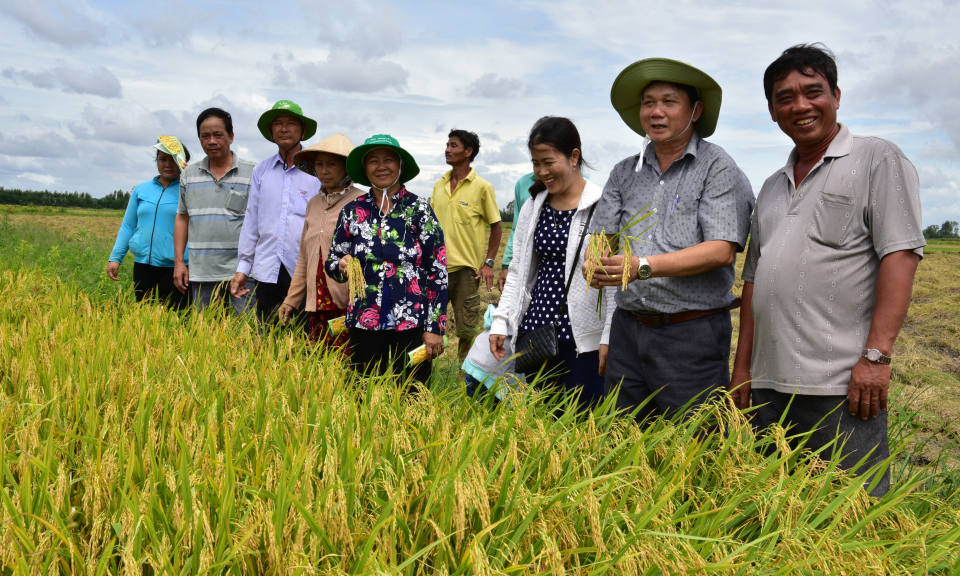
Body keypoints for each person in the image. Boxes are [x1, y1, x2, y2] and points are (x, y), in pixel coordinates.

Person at [729, 44, 924, 497]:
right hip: (770, 386)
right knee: (778, 509)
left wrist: (876, 358)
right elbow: (754, 280)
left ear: (836, 95)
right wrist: (742, 369)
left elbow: (901, 254)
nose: (800, 105)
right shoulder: (773, 186)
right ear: (773, 112)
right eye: (785, 97)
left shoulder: (877, 158)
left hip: (842, 385)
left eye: (812, 91)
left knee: (851, 515)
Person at [584, 58, 755, 421]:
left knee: (693, 450)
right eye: (648, 102)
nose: (656, 112)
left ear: (696, 110)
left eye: (669, 101)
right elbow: (603, 239)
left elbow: (722, 250)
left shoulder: (717, 167)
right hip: (629, 328)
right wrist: (595, 264)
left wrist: (641, 267)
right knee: (621, 436)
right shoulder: (624, 172)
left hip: (690, 332)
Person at [490, 117, 616, 410]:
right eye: (536, 163)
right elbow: (520, 272)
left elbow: (612, 282)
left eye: (548, 161)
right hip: (539, 329)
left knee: (584, 423)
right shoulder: (535, 205)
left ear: (574, 157)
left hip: (584, 337)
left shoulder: (603, 205)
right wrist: (502, 321)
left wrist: (610, 335)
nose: (542, 172)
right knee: (540, 422)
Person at [326, 134, 448, 385]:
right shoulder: (352, 211)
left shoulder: (419, 209)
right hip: (365, 317)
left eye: (389, 160)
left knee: (413, 391)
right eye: (373, 161)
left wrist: (435, 326)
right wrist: (340, 266)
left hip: (413, 319)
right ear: (365, 169)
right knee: (365, 389)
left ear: (400, 166)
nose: (381, 166)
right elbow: (332, 261)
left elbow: (438, 269)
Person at [231, 101, 321, 325]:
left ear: (302, 130)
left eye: (291, 123)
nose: (284, 128)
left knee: (303, 338)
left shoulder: (318, 171)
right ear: (271, 131)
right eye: (278, 124)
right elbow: (252, 220)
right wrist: (243, 267)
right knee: (268, 335)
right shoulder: (261, 170)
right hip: (267, 268)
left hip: (304, 270)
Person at [280, 133, 365, 347]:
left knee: (348, 359)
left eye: (331, 164)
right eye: (319, 164)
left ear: (347, 168)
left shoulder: (361, 202)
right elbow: (304, 257)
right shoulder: (314, 203)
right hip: (316, 300)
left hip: (348, 301)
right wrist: (291, 299)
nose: (324, 171)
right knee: (320, 360)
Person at [173, 107, 256, 314]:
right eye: (205, 136)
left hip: (244, 272)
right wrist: (179, 263)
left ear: (231, 136)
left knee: (246, 332)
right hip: (202, 271)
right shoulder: (189, 175)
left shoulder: (254, 173)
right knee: (206, 336)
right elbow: (182, 218)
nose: (211, 141)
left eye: (218, 135)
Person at [430, 129, 503, 360]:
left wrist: (489, 262)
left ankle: (464, 374)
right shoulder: (439, 185)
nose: (447, 150)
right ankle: (428, 372)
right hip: (435, 267)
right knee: (429, 324)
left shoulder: (482, 187)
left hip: (466, 270)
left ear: (468, 152)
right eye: (447, 145)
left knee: (466, 328)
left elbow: (497, 226)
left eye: (453, 145)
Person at [107, 136, 191, 310]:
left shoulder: (189, 190)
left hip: (176, 266)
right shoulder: (141, 189)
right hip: (143, 265)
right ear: (157, 161)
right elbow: (128, 225)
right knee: (145, 316)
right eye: (163, 159)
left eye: (173, 159)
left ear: (182, 162)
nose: (168, 164)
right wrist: (116, 258)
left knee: (176, 317)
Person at [497, 172, 536, 292]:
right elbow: (516, 229)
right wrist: (507, 264)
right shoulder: (523, 183)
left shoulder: (584, 185)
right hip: (527, 262)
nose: (542, 171)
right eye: (535, 162)